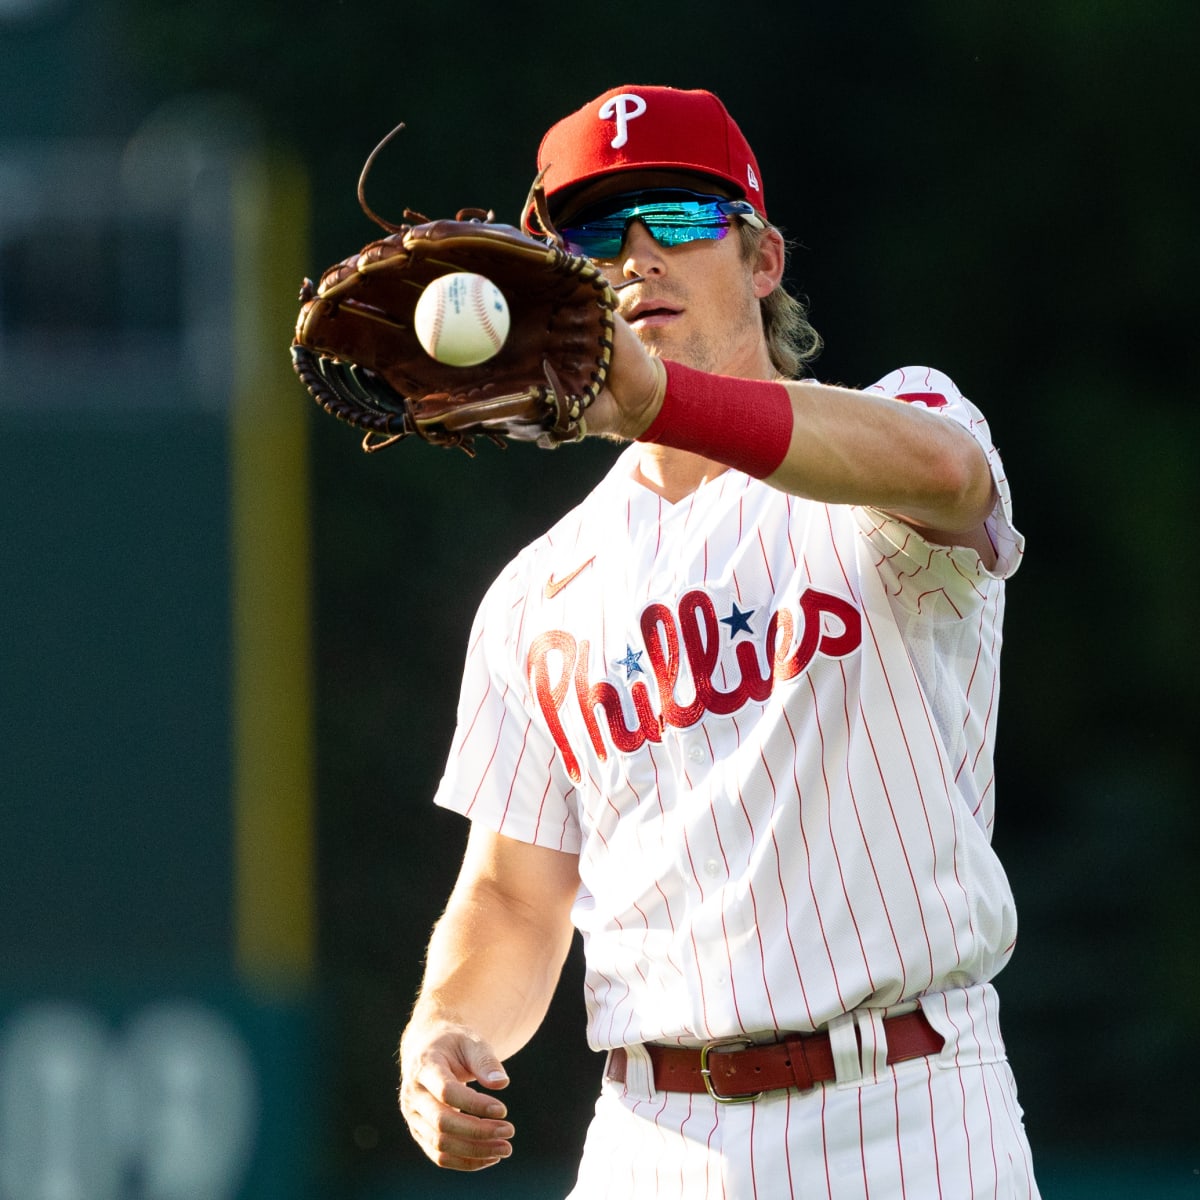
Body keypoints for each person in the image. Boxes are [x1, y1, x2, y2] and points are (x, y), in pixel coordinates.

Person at [398, 83, 1040, 1198]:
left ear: (763, 260)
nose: (639, 255)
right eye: (598, 231)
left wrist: (655, 399)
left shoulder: (900, 424)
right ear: (562, 285)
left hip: (911, 1106)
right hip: (657, 1139)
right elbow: (513, 897)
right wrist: (445, 1031)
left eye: (682, 218)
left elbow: (947, 477)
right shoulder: (536, 593)